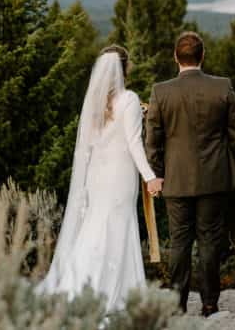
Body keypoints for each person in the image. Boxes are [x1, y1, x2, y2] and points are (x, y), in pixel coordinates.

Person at [37, 45, 163, 311]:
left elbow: (87, 147)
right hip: (120, 177)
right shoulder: (129, 100)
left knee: (95, 228)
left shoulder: (94, 103)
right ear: (125, 68)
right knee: (119, 229)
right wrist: (150, 177)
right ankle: (118, 294)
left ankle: (81, 286)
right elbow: (134, 144)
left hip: (96, 177)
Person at [145, 32, 235, 317]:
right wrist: (221, 159)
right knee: (210, 240)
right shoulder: (222, 87)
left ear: (176, 58)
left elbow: (152, 139)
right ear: (203, 56)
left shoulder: (161, 91)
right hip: (214, 177)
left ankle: (177, 306)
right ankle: (210, 303)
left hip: (176, 178)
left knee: (179, 242)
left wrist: (157, 173)